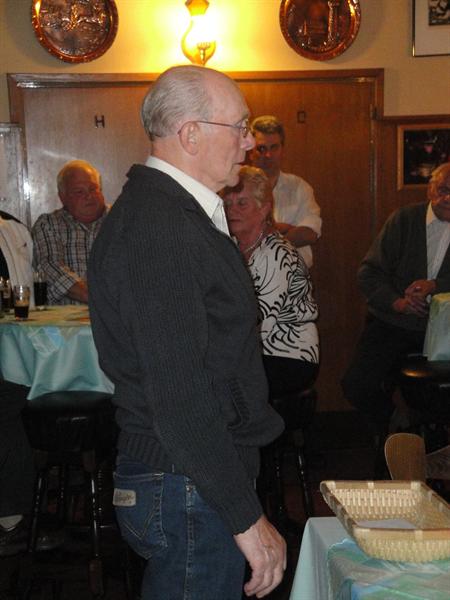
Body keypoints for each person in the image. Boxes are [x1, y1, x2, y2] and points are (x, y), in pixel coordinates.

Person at [87, 65, 286, 599]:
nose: (249, 141)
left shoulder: (173, 213)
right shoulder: (161, 226)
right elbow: (178, 394)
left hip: (189, 476)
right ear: (191, 133)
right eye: (239, 126)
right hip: (184, 481)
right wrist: (246, 517)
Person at [342, 162, 450, 437]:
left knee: (437, 398)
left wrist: (435, 286)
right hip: (392, 322)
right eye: (443, 190)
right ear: (430, 189)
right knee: (356, 385)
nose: (448, 198)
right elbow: (368, 273)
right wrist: (398, 303)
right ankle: (397, 425)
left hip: (444, 330)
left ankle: (431, 442)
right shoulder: (404, 220)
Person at [223, 165, 319, 397]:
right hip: (258, 351)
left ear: (264, 208)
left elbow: (259, 322)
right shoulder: (233, 248)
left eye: (242, 203)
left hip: (288, 357)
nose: (232, 210)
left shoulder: (276, 253)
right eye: (228, 204)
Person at [248, 115, 322, 269]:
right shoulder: (237, 189)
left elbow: (310, 234)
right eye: (261, 148)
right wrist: (286, 229)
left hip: (294, 278)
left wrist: (263, 242)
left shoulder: (300, 187)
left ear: (282, 149)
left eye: (274, 147)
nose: (268, 155)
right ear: (250, 151)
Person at [32, 160, 108, 305]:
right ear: (63, 197)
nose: (89, 196)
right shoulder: (49, 224)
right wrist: (97, 299)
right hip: (66, 317)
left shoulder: (120, 221)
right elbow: (50, 266)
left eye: (93, 188)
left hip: (118, 315)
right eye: (79, 191)